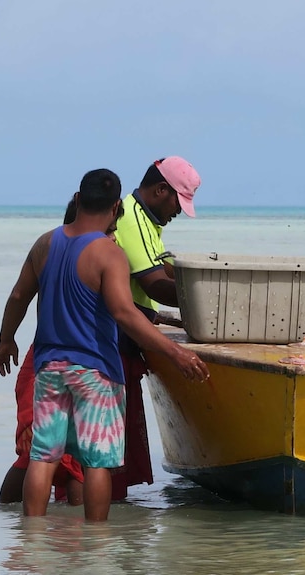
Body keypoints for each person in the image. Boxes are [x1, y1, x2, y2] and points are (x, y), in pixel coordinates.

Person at [0, 168, 209, 521]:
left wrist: (5, 340)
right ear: (114, 209)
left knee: (43, 457)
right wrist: (176, 352)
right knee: (96, 462)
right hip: (96, 372)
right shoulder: (109, 254)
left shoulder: (45, 243)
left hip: (49, 367)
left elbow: (19, 295)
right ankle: (96, 541)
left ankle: (31, 536)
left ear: (78, 199)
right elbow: (125, 314)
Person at [109, 156, 201, 487]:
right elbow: (154, 285)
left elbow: (150, 280)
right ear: (162, 190)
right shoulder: (132, 219)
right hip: (116, 345)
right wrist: (209, 300)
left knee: (114, 449)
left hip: (130, 340)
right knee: (105, 450)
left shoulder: (149, 223)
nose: (178, 211)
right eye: (179, 201)